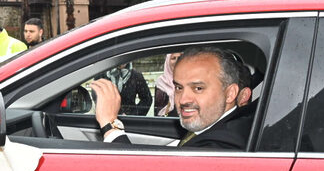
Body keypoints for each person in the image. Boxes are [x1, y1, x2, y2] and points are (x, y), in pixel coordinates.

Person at [91, 46, 255, 149]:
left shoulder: (222, 145)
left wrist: (110, 125)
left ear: (231, 93)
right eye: (178, 87)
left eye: (198, 88)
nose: (183, 100)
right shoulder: (216, 127)